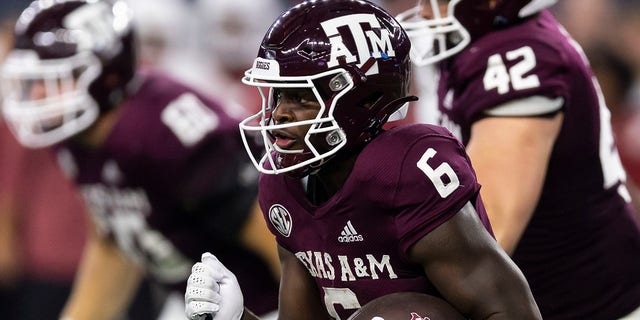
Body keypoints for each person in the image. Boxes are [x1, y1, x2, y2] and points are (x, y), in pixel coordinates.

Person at [184, 1, 542, 320]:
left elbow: (512, 310)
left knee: (393, 315)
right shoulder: (284, 185)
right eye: (279, 96)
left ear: (362, 100)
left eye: (301, 98)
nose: (279, 114)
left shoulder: (404, 173)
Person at [0, 0, 280, 319]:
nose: (38, 94)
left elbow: (277, 232)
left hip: (262, 303)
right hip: (199, 298)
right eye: (33, 81)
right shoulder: (78, 133)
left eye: (55, 78)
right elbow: (115, 238)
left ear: (107, 74)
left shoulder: (163, 132)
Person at [395, 0, 640, 319]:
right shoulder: (483, 43)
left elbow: (483, 235)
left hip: (590, 307)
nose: (425, 10)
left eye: (439, 0)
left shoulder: (518, 57)